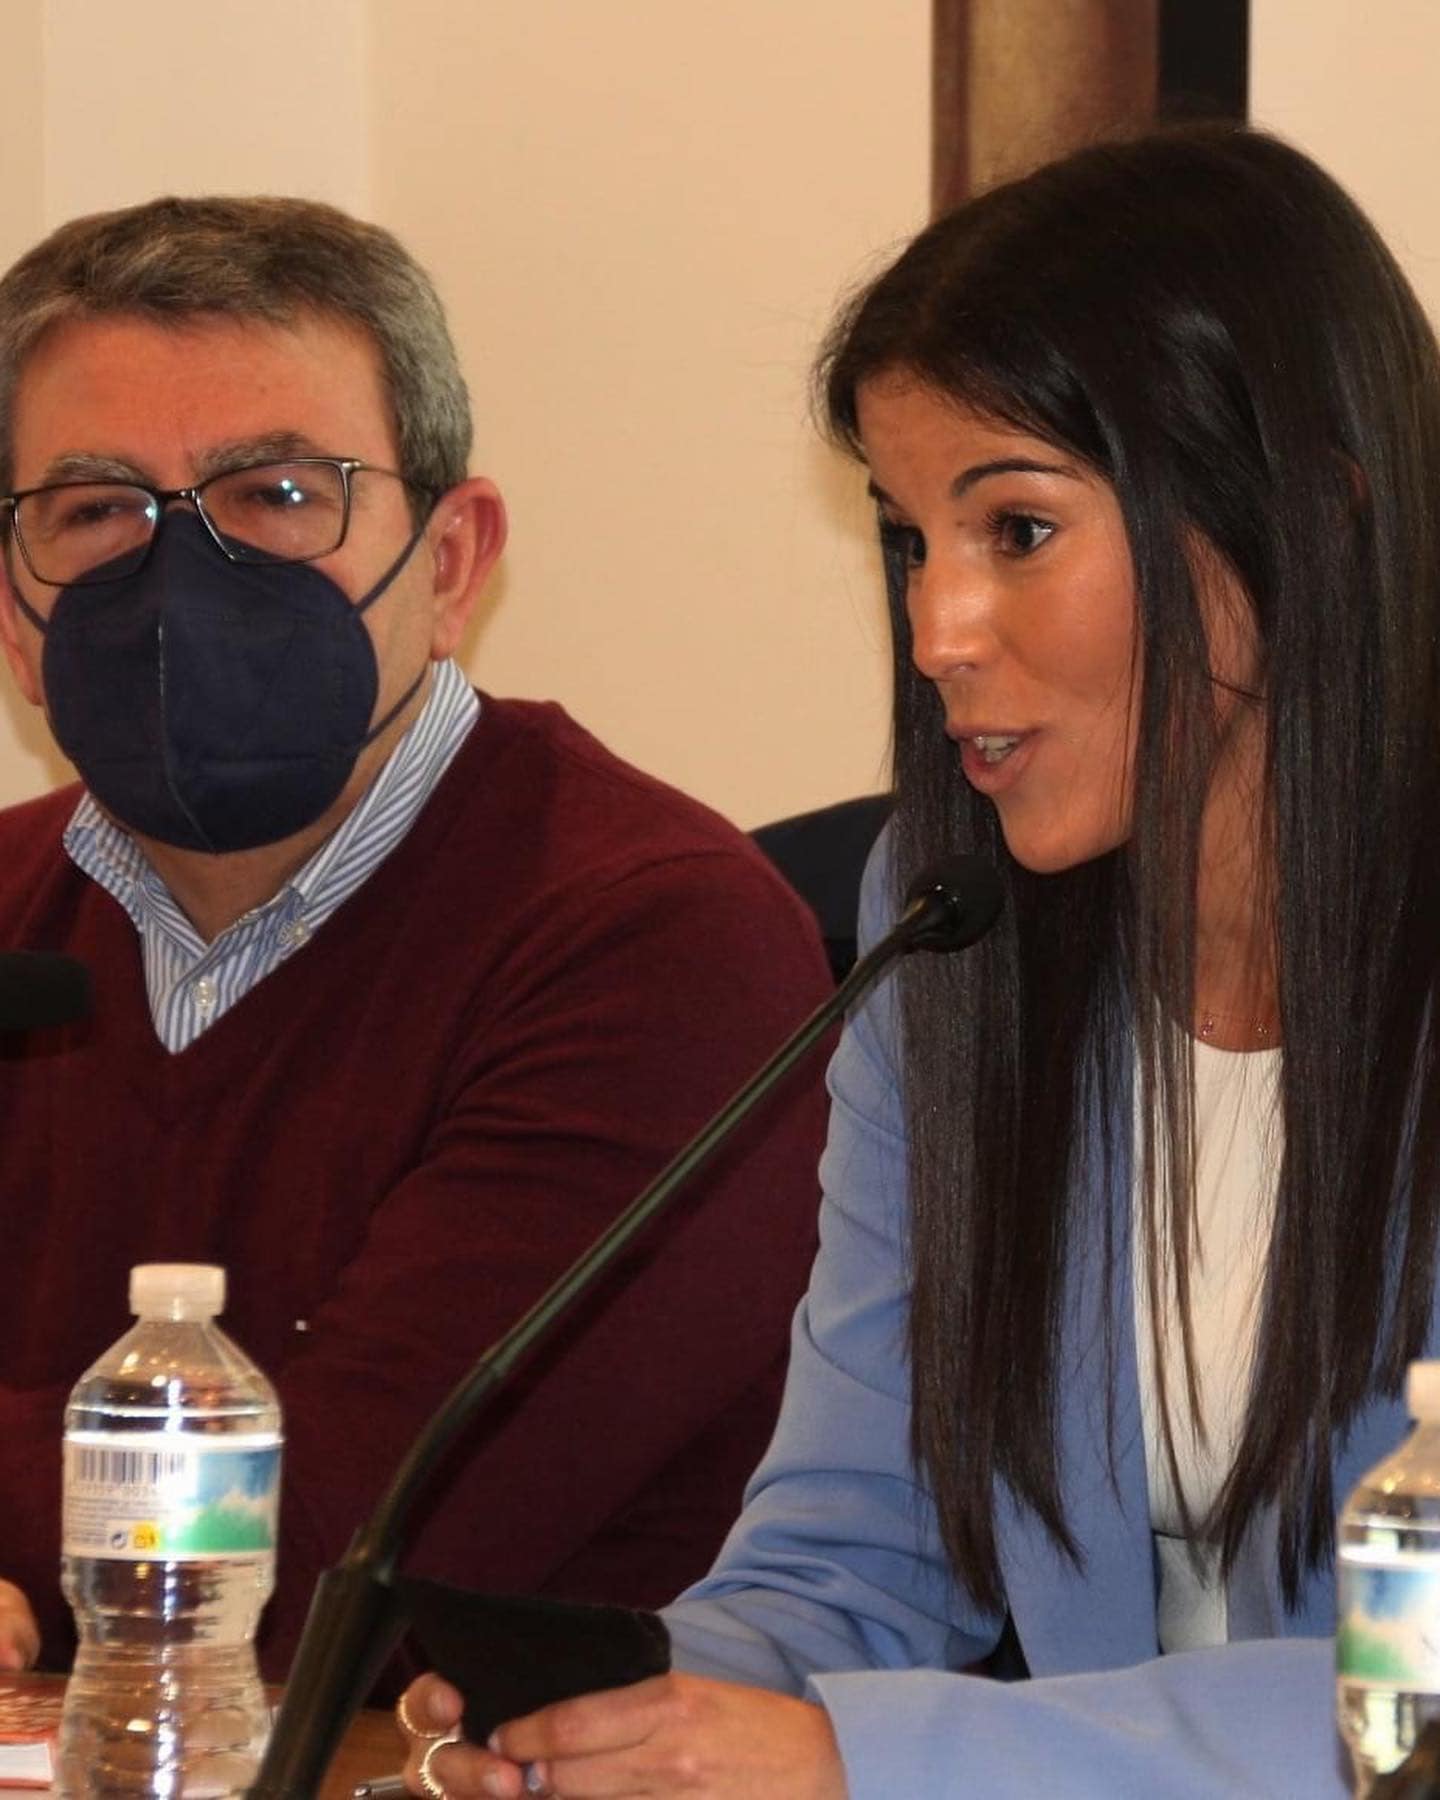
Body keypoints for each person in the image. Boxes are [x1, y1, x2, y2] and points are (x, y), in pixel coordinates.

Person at [396, 121, 1440, 1798]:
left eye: (1015, 529)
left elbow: (1425, 1703)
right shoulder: (952, 924)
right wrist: (645, 1713)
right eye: (908, 539)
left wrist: (868, 1764)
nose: (938, 628)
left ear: (1308, 514)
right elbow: (857, 1557)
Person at [0, 195, 833, 1682]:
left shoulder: (655, 942)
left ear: (451, 564)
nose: (180, 580)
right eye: (98, 510)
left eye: (275, 494)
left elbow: (327, 1553)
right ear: (13, 612)